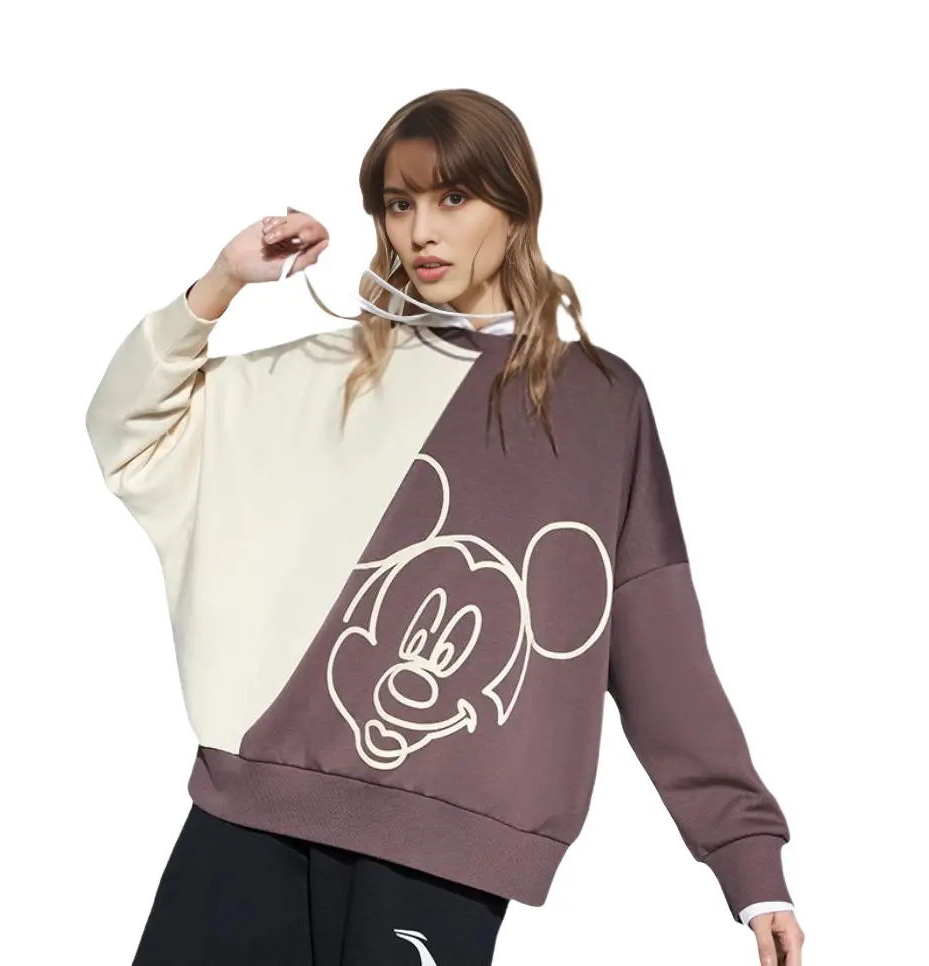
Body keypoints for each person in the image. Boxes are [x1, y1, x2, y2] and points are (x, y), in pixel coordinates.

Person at [84, 88, 806, 965]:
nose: (421, 231)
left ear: (515, 206)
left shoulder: (599, 402)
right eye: (399, 204)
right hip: (249, 816)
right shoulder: (333, 369)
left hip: (446, 849)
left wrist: (748, 861)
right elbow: (132, 431)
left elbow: (658, 647)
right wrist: (222, 282)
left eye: (452, 198)